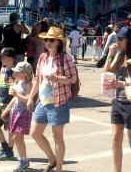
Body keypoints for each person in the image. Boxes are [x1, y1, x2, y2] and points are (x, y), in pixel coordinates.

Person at [28, 27, 77, 172]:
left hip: (59, 101)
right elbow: (37, 79)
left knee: (57, 136)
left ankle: (59, 168)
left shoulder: (65, 57)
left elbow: (72, 79)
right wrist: (31, 97)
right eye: (46, 39)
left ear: (58, 42)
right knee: (35, 133)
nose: (47, 42)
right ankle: (52, 159)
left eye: (51, 40)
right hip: (43, 100)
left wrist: (56, 78)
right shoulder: (43, 57)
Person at [104, 26, 131, 172]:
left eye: (121, 39)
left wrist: (122, 83)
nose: (117, 41)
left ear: (129, 40)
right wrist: (110, 54)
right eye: (117, 38)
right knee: (115, 139)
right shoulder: (119, 55)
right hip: (117, 102)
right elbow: (106, 72)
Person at [7, 61, 34, 172]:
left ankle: (23, 160)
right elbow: (14, 96)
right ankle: (23, 160)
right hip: (16, 111)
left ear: (25, 74)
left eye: (18, 72)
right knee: (17, 137)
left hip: (23, 112)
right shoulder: (18, 81)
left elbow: (28, 99)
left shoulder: (29, 84)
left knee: (17, 137)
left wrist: (16, 94)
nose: (15, 74)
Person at [0, 47, 18, 161]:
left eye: (3, 57)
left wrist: (11, 105)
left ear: (10, 59)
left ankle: (9, 150)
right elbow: (1, 87)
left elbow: (16, 90)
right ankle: (4, 146)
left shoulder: (15, 73)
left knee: (10, 129)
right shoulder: (3, 70)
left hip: (9, 104)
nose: (1, 59)